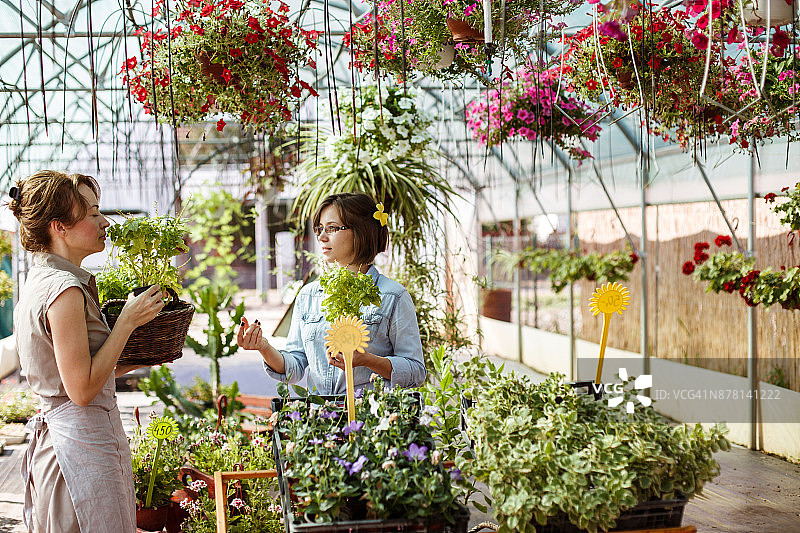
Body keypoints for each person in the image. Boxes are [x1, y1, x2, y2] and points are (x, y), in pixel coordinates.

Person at [10, 170, 165, 533]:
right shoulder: (64, 290)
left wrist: (136, 357)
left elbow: (74, 375)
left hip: (71, 447)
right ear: (59, 227)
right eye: (93, 213)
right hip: (78, 456)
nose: (104, 221)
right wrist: (126, 322)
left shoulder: (42, 278)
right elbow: (80, 390)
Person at [237, 192, 426, 395]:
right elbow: (295, 367)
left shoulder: (393, 296)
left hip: (371, 419)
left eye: (332, 228)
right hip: (321, 419)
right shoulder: (308, 295)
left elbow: (416, 371)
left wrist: (367, 360)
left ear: (361, 231)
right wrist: (263, 347)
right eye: (319, 229)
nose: (321, 237)